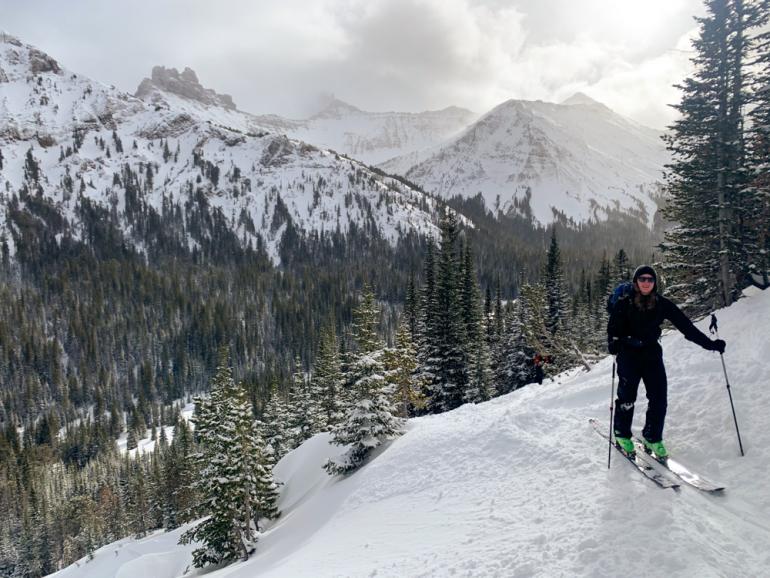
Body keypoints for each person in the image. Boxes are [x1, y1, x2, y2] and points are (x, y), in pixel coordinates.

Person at [607, 265, 726, 457]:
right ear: (636, 281)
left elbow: (686, 327)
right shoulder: (624, 302)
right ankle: (621, 433)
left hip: (652, 354)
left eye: (650, 279)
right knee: (627, 397)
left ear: (655, 283)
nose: (646, 282)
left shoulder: (662, 304)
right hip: (628, 355)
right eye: (642, 279)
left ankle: (653, 437)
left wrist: (710, 345)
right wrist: (613, 343)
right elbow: (613, 328)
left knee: (659, 398)